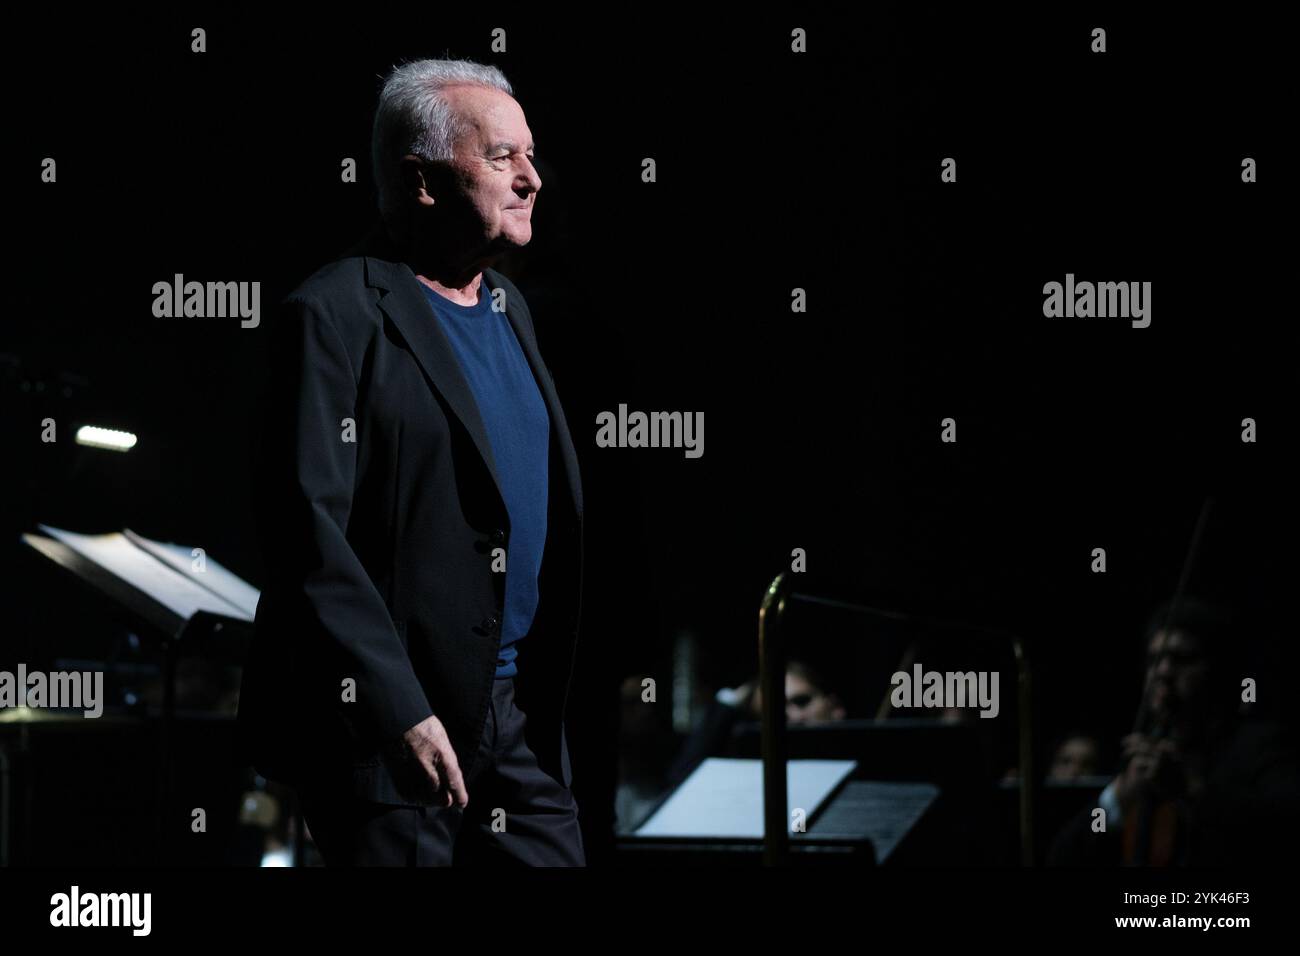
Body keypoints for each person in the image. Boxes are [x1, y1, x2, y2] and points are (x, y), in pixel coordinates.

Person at [236, 58, 586, 866]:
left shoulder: (509, 308)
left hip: (513, 713)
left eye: (531, 155)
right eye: (503, 157)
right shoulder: (330, 315)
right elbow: (305, 534)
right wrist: (395, 709)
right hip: (395, 728)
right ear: (421, 180)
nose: (532, 179)